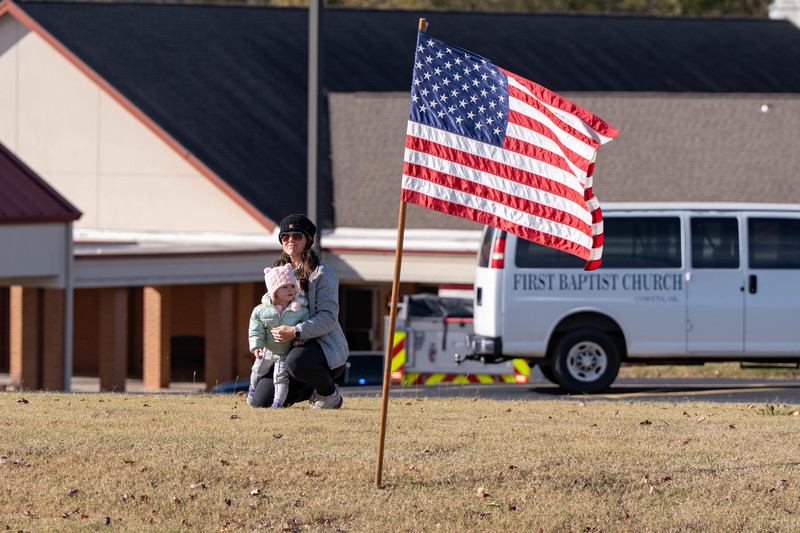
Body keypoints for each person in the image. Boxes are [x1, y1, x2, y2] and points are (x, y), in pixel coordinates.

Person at [249, 214, 349, 409]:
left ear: (308, 240)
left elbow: (328, 317)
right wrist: (261, 340)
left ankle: (328, 394)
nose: (291, 240)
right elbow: (267, 306)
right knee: (261, 402)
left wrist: (296, 331)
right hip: (285, 350)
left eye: (297, 236)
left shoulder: (323, 273)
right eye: (285, 236)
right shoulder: (277, 271)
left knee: (297, 361)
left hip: (321, 349)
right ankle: (310, 389)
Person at [247, 264, 309, 408]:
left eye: (292, 286)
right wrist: (256, 346)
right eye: (285, 287)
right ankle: (252, 388)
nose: (290, 290)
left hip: (285, 352)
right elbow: (255, 329)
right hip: (267, 350)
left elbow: (305, 327)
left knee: (281, 378)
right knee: (257, 370)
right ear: (274, 291)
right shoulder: (261, 310)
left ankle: (278, 402)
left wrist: (300, 339)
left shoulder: (301, 310)